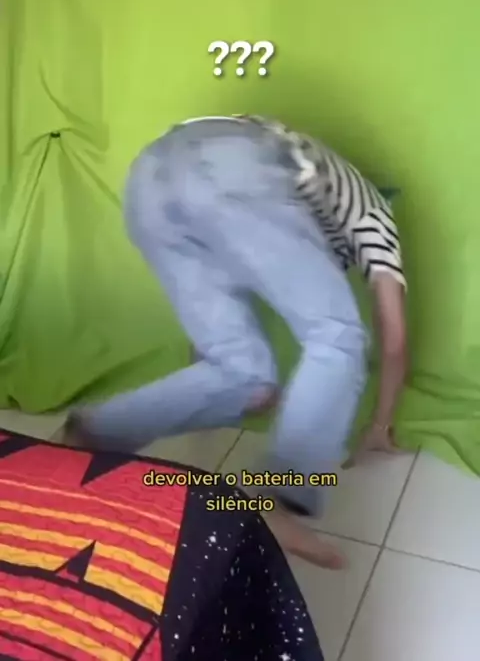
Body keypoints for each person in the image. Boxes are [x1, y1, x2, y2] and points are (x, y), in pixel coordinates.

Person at [67, 114, 407, 569]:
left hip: (148, 179)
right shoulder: (375, 217)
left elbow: (228, 270)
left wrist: (235, 390)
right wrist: (381, 425)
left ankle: (93, 433)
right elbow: (393, 336)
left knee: (241, 368)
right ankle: (278, 502)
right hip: (230, 165)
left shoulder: (309, 190)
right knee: (338, 334)